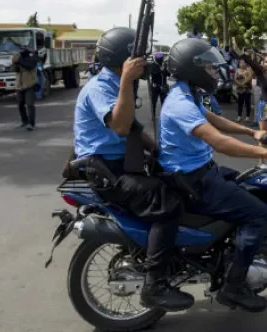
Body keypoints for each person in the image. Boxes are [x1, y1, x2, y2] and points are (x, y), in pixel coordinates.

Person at [159, 38, 267, 312]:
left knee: (252, 186)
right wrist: (266, 154)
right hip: (194, 181)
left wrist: (252, 132)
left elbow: (211, 119)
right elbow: (218, 141)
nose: (216, 73)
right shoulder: (180, 102)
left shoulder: (188, 94)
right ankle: (234, 287)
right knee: (258, 214)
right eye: (210, 68)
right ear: (193, 69)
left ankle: (228, 255)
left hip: (200, 173)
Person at [72, 27, 191, 312]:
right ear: (124, 59)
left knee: (178, 185)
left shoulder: (116, 84)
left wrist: (158, 151)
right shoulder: (101, 87)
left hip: (121, 164)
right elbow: (121, 125)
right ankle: (155, 286)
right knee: (167, 203)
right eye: (138, 56)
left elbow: (134, 129)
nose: (145, 61)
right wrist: (127, 79)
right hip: (107, 172)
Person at [13, 47, 39, 130]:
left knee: (30, 104)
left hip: (29, 85)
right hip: (19, 86)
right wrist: (15, 63)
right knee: (20, 104)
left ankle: (31, 123)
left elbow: (29, 66)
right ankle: (24, 121)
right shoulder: (19, 60)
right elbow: (14, 70)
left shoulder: (32, 59)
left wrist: (19, 61)